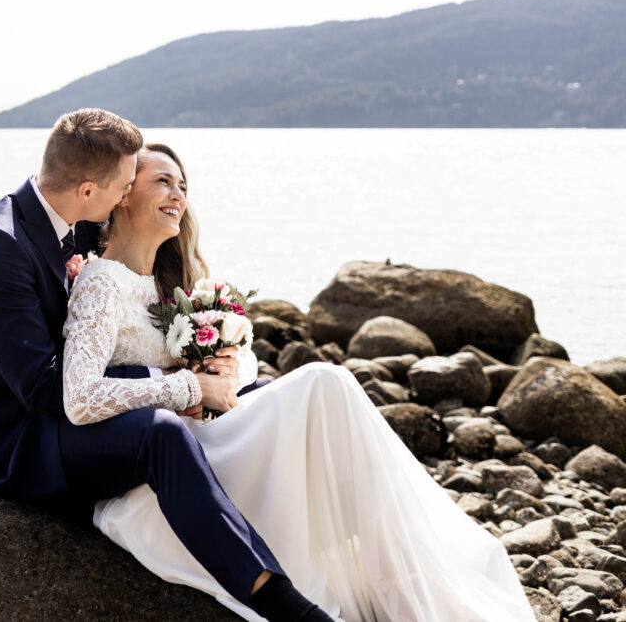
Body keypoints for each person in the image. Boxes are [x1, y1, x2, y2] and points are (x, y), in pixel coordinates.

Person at [61, 142, 537, 621]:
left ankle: (401, 585)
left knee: (328, 392)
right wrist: (187, 385)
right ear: (122, 193)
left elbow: (244, 360)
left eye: (183, 186)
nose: (178, 194)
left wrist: (224, 371)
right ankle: (377, 592)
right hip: (172, 468)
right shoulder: (101, 282)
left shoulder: (174, 284)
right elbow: (81, 394)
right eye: (163, 181)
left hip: (212, 433)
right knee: (323, 385)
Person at [0, 108, 330, 621]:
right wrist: (180, 387)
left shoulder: (71, 224)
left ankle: (319, 544)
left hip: (72, 411)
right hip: (23, 439)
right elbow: (46, 391)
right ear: (89, 190)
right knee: (159, 433)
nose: (126, 196)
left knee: (264, 396)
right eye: (124, 185)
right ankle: (284, 605)